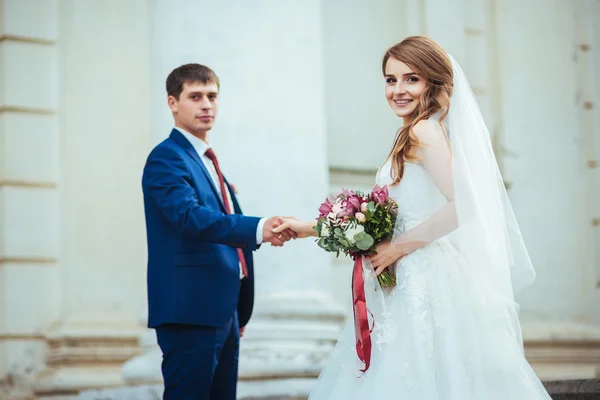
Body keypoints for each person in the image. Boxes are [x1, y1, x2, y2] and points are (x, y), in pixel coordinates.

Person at [275, 36, 551, 399]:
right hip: (405, 276)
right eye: (391, 79)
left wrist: (397, 249)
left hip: (422, 278)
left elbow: (465, 205)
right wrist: (308, 228)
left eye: (411, 79)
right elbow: (378, 217)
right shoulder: (414, 131)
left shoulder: (424, 131)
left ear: (432, 83)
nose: (398, 90)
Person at [142, 63, 294, 400]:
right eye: (195, 96)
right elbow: (190, 218)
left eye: (212, 96)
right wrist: (258, 227)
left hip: (224, 310)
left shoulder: (209, 160)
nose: (206, 104)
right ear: (172, 103)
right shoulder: (166, 158)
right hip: (190, 310)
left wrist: (239, 307)